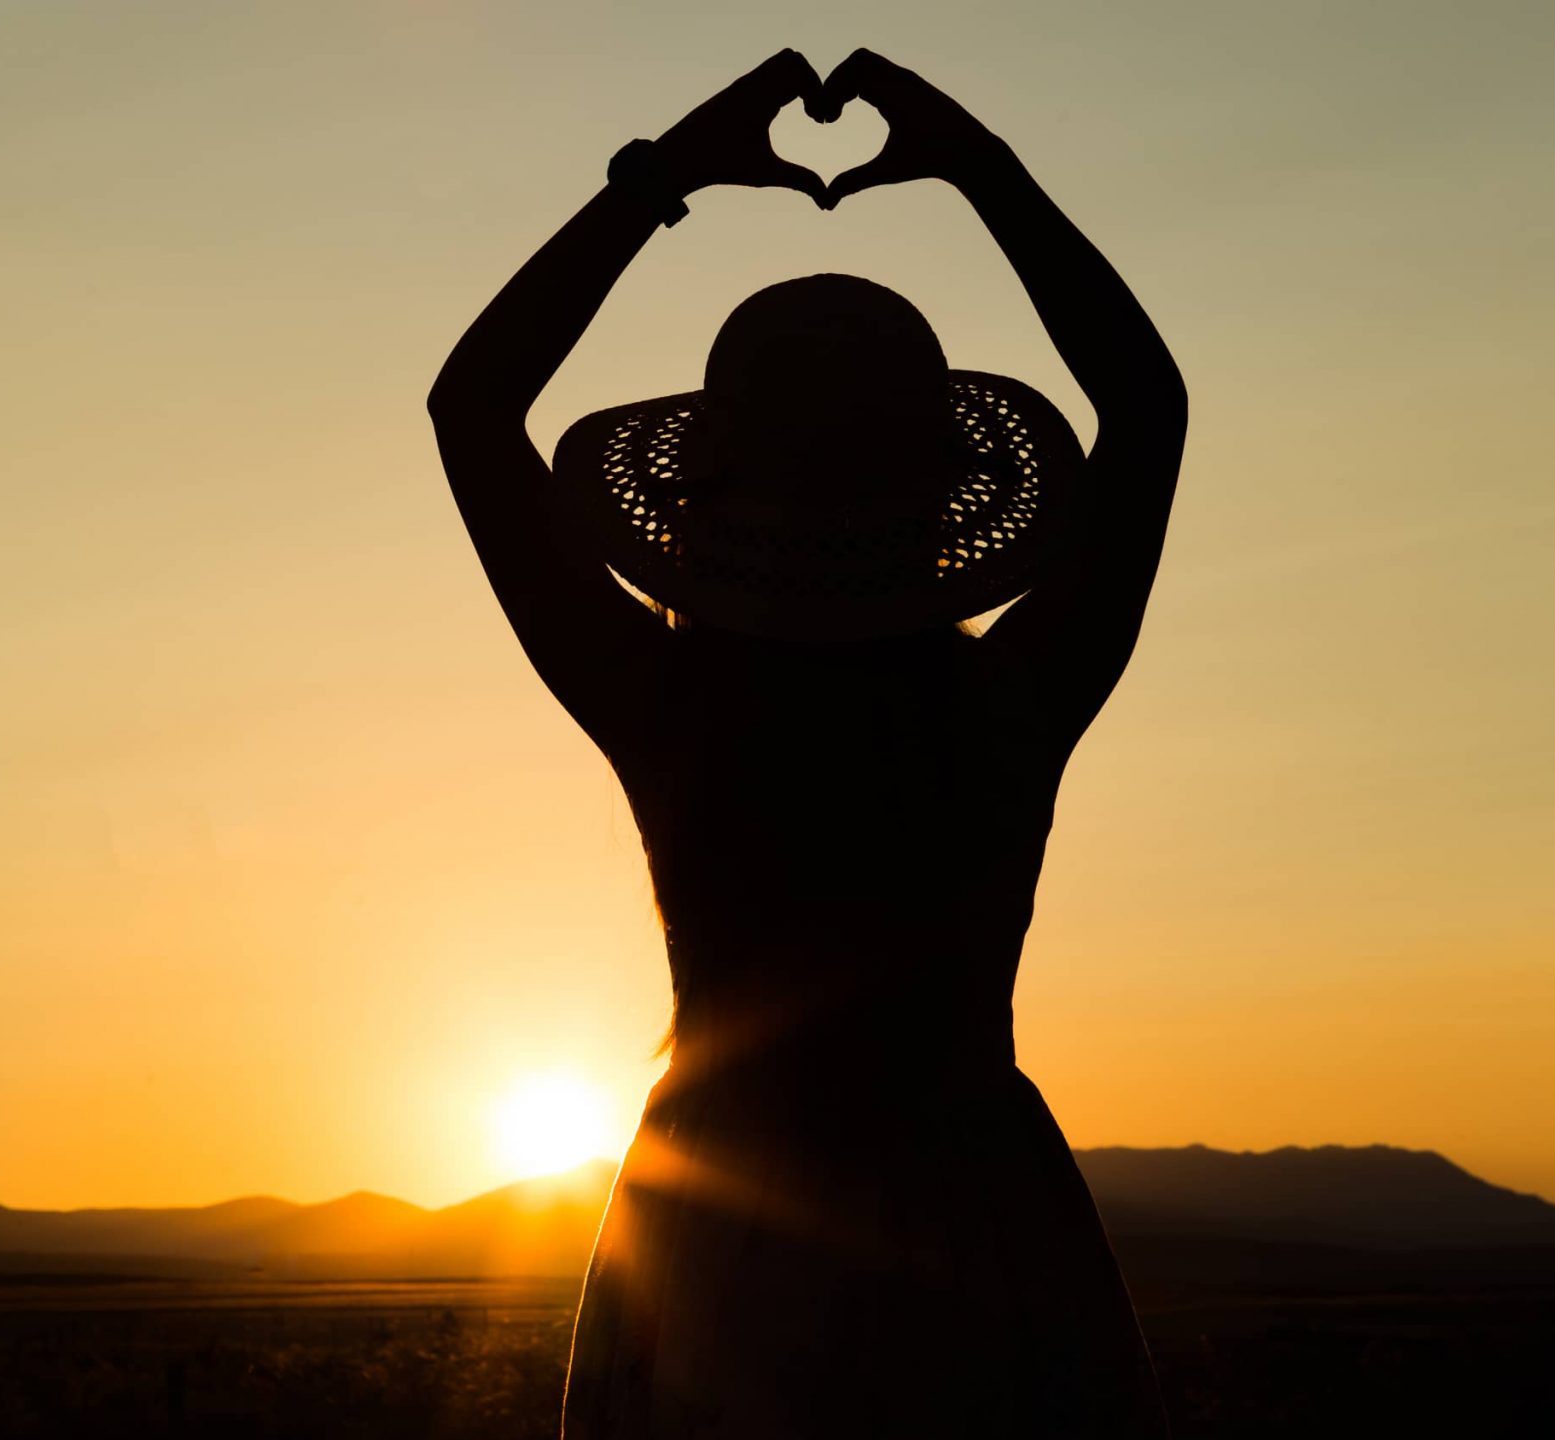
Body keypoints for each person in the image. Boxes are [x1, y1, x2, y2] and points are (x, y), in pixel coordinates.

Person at [425, 46, 1186, 1438]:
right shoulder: (1003, 705)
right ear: (940, 500)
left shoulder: (668, 704)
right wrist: (980, 167)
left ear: (710, 486)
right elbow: (1147, 409)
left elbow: (473, 409)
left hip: (724, 1226)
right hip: (975, 1215)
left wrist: (667, 177)